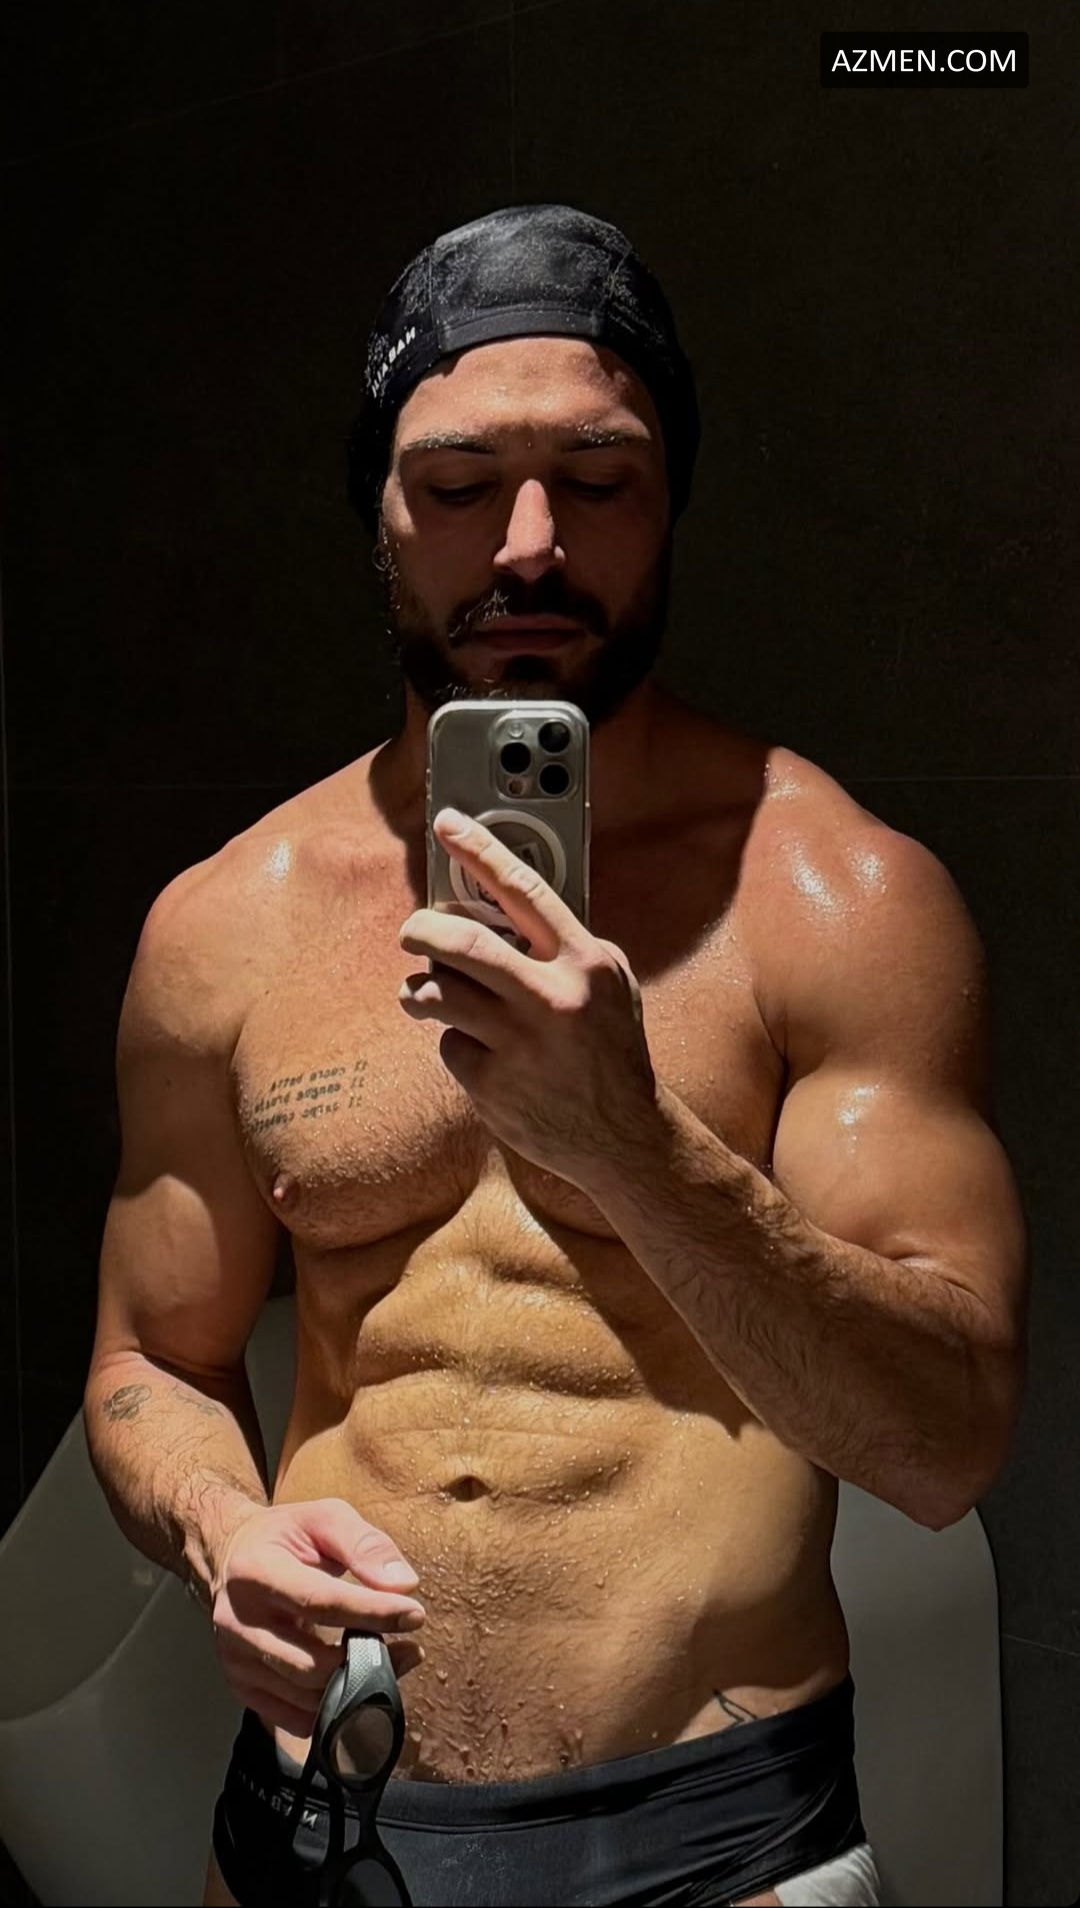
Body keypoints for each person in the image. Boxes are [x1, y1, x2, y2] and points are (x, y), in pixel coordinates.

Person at [85, 205, 1029, 1908]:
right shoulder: (226, 923)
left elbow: (944, 1445)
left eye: (596, 478)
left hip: (713, 1842)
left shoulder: (835, 899)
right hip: (319, 1828)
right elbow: (153, 1355)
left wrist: (634, 1147)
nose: (528, 546)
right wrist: (227, 1532)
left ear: (672, 500)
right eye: (458, 484)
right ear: (380, 511)